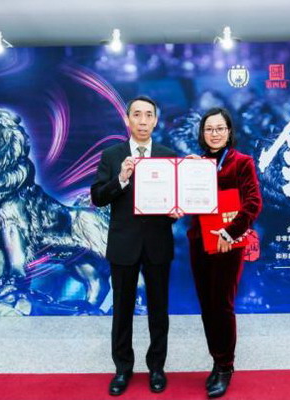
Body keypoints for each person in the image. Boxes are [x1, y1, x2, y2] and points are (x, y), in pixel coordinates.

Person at [91, 96, 178, 396]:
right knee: (122, 311)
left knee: (159, 311)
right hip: (123, 244)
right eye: (137, 115)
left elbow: (175, 199)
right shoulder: (112, 155)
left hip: (157, 243)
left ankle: (157, 368)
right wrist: (120, 179)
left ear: (156, 120)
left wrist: (177, 209)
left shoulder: (168, 155)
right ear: (127, 119)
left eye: (148, 115)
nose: (143, 121)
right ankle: (122, 369)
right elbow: (97, 197)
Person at [187, 108, 262, 398]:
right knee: (207, 305)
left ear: (229, 131)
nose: (214, 134)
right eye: (209, 129)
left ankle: (225, 366)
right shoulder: (196, 163)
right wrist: (183, 177)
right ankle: (216, 359)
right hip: (199, 242)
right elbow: (186, 201)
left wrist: (229, 233)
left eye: (220, 128)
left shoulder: (242, 162)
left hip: (228, 243)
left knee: (222, 304)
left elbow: (253, 203)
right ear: (202, 133)